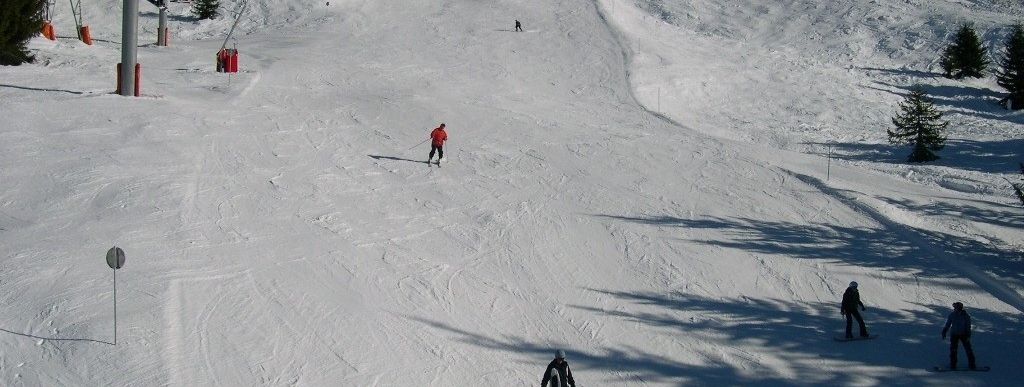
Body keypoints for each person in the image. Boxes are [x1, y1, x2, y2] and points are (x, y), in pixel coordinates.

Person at [941, 301, 977, 369]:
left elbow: (968, 326)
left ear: (960, 308)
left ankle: (972, 365)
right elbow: (948, 324)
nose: (954, 309)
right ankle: (953, 365)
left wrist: (968, 335)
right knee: (953, 350)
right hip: (954, 334)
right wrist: (944, 331)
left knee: (968, 349)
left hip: (964, 334)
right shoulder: (952, 315)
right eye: (954, 308)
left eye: (956, 308)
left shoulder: (966, 316)